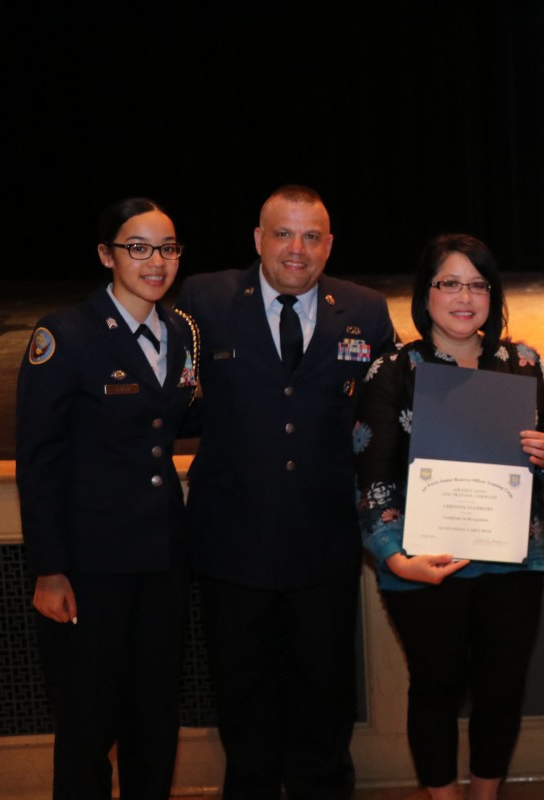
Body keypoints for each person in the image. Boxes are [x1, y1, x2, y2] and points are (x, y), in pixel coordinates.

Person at [176, 185, 396, 798]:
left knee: (324, 704)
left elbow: (391, 412)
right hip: (229, 542)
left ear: (329, 245)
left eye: (311, 236)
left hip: (323, 542)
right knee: (241, 702)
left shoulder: (367, 310)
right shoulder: (205, 298)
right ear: (257, 240)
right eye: (282, 233)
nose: (296, 249)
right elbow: (167, 390)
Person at [353, 233, 544, 800]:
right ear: (425, 293)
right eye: (448, 282)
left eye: (477, 284)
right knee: (435, 688)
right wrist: (396, 559)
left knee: (502, 689)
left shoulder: (522, 363)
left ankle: (485, 794)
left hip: (512, 562)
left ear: (493, 295)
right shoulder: (393, 369)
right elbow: (372, 475)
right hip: (425, 561)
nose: (464, 296)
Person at [16, 198, 199, 798]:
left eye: (167, 248)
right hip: (90, 568)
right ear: (106, 255)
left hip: (162, 561)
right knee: (87, 727)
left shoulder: (178, 331)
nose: (156, 261)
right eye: (138, 247)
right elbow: (39, 462)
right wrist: (49, 569)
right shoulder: (64, 334)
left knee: (154, 721)